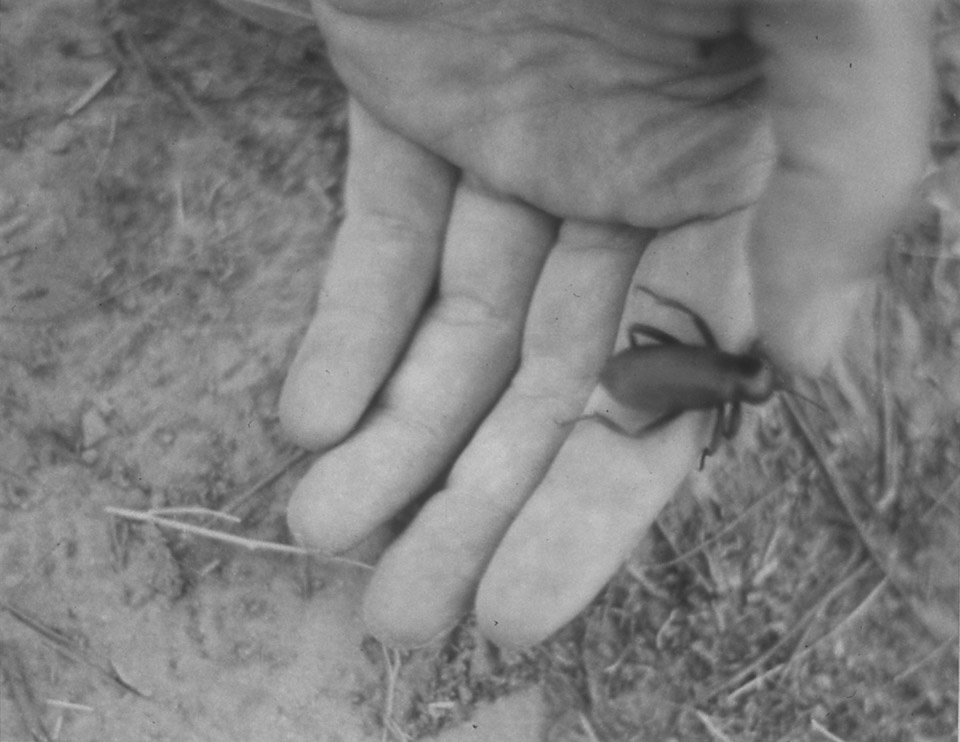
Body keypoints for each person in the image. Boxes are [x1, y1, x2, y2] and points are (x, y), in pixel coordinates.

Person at [250, 0, 934, 648]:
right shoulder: (720, 395)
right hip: (646, 370)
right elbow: (692, 367)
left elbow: (678, 326)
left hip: (649, 363)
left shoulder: (721, 352)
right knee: (677, 417)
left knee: (668, 379)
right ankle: (597, 424)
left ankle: (596, 422)